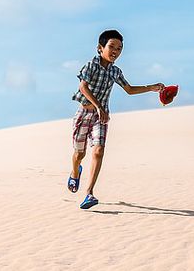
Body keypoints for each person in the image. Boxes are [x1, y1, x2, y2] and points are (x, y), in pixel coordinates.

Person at [68, 29, 165, 209]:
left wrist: (151, 87)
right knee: (79, 154)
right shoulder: (91, 65)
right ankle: (75, 173)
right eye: (112, 47)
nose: (115, 51)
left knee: (98, 151)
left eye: (119, 48)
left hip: (101, 117)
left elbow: (128, 89)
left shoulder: (115, 71)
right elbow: (83, 87)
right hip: (84, 114)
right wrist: (98, 105)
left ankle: (89, 193)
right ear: (100, 48)